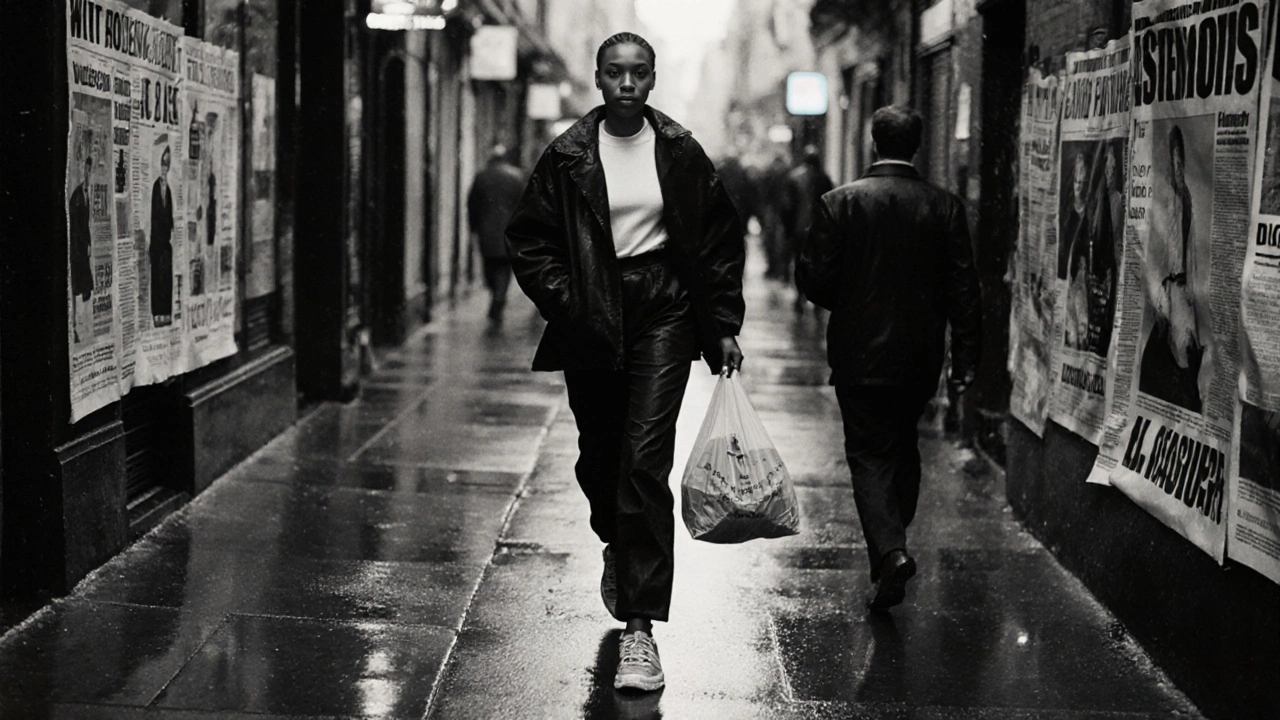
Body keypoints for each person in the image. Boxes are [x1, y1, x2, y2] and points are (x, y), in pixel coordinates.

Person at [506, 32, 745, 692]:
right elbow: (530, 241)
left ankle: (640, 631)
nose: (628, 84)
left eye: (639, 73)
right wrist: (572, 301)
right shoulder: (568, 154)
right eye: (616, 73)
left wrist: (720, 324)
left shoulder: (681, 150)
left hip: (664, 307)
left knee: (644, 457)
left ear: (653, 78)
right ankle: (620, 538)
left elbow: (721, 238)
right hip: (594, 311)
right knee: (602, 456)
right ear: (598, 77)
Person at [795, 105, 981, 612]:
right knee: (903, 446)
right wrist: (964, 358)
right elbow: (965, 288)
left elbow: (814, 279)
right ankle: (891, 545)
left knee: (869, 452)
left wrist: (853, 302)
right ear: (916, 145)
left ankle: (891, 549)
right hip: (920, 353)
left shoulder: (839, 203)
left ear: (873, 141)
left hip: (859, 353)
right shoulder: (945, 206)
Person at [1139, 125, 1206, 413]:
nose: (1177, 170)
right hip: (1171, 286)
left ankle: (1188, 400)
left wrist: (1187, 289)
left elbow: (1190, 253)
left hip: (1183, 288)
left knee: (1184, 350)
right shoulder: (1168, 202)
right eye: (1174, 162)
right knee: (1166, 348)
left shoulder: (1187, 200)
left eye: (1181, 164)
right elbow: (1162, 253)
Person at [466, 144, 525, 326]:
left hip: (487, 231)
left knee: (489, 266)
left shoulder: (482, 176)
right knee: (504, 268)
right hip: (510, 232)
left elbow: (472, 205)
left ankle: (496, 295)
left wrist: (473, 227)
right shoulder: (517, 177)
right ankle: (499, 297)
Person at [782, 144, 834, 311]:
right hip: (818, 229)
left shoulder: (794, 178)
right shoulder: (824, 178)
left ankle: (800, 294)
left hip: (799, 227)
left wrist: (788, 228)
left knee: (799, 261)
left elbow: (787, 207)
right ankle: (816, 296)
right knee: (818, 263)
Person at [69, 152, 94, 344]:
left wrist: (90, 244)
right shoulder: (77, 197)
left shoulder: (86, 194)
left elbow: (85, 226)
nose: (88, 175)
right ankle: (76, 329)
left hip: (83, 250)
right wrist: (81, 251)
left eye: (90, 171)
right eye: (86, 171)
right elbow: (75, 228)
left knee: (86, 288)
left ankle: (83, 327)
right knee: (79, 289)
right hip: (77, 253)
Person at [150, 143, 174, 327]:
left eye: (167, 166)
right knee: (157, 277)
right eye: (163, 166)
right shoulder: (155, 188)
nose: (164, 170)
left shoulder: (170, 191)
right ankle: (157, 313)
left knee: (167, 277)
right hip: (157, 242)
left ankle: (166, 313)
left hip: (166, 242)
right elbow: (153, 215)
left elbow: (170, 215)